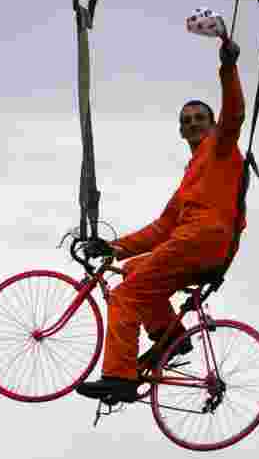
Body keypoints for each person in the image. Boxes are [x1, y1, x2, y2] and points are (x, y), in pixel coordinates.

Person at [75, 36, 246, 402]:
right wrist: (114, 247)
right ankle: (171, 340)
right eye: (187, 121)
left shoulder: (221, 148)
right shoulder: (191, 175)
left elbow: (235, 115)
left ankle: (119, 378)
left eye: (201, 118)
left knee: (125, 295)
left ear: (214, 125)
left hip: (202, 241)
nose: (194, 123)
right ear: (181, 131)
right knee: (135, 271)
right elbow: (162, 228)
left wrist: (228, 69)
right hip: (192, 243)